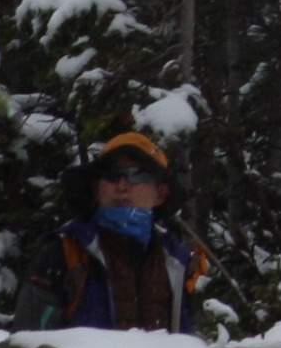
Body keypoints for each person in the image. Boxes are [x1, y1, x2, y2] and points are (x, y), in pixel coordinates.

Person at [44, 131, 212, 334]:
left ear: (160, 193)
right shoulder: (64, 253)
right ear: (96, 189)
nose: (122, 186)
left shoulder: (179, 263)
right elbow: (27, 344)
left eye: (137, 175)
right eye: (112, 175)